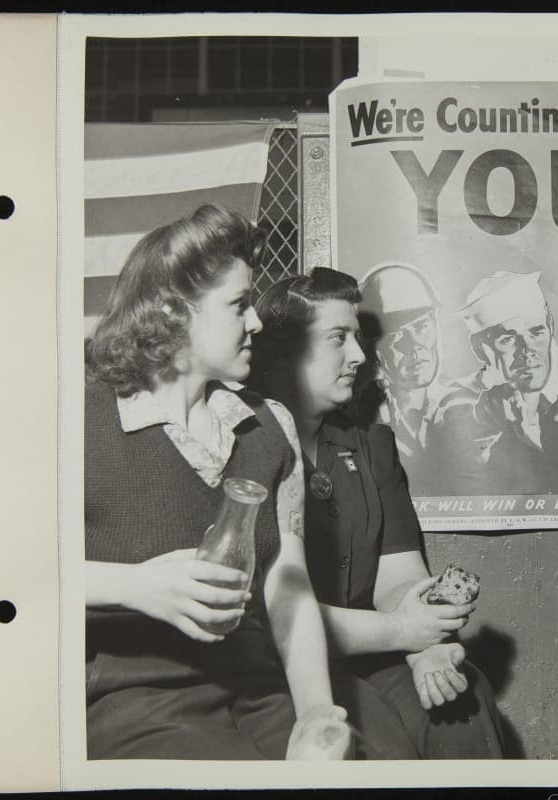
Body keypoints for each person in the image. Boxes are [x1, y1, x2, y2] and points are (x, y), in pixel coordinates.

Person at [84, 205, 350, 760]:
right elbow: (6, 583)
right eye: (238, 305)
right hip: (134, 698)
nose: (256, 322)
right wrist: (135, 587)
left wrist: (316, 718)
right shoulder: (82, 422)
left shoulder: (269, 424)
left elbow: (288, 582)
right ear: (172, 312)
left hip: (255, 692)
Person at [248, 269, 506, 760]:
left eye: (359, 339)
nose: (360, 356)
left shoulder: (369, 445)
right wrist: (402, 632)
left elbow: (398, 575)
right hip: (276, 665)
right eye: (338, 339)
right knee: (374, 744)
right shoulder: (244, 443)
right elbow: (269, 614)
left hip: (368, 651)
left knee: (460, 704)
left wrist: (426, 638)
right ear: (284, 350)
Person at [439, 270, 558, 495]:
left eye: (536, 333)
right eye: (508, 339)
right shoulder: (461, 403)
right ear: (480, 349)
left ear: (551, 327)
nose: (527, 351)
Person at [355, 262, 457, 495]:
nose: (415, 347)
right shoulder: (363, 416)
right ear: (374, 348)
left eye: (422, 327)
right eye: (397, 335)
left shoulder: (465, 406)